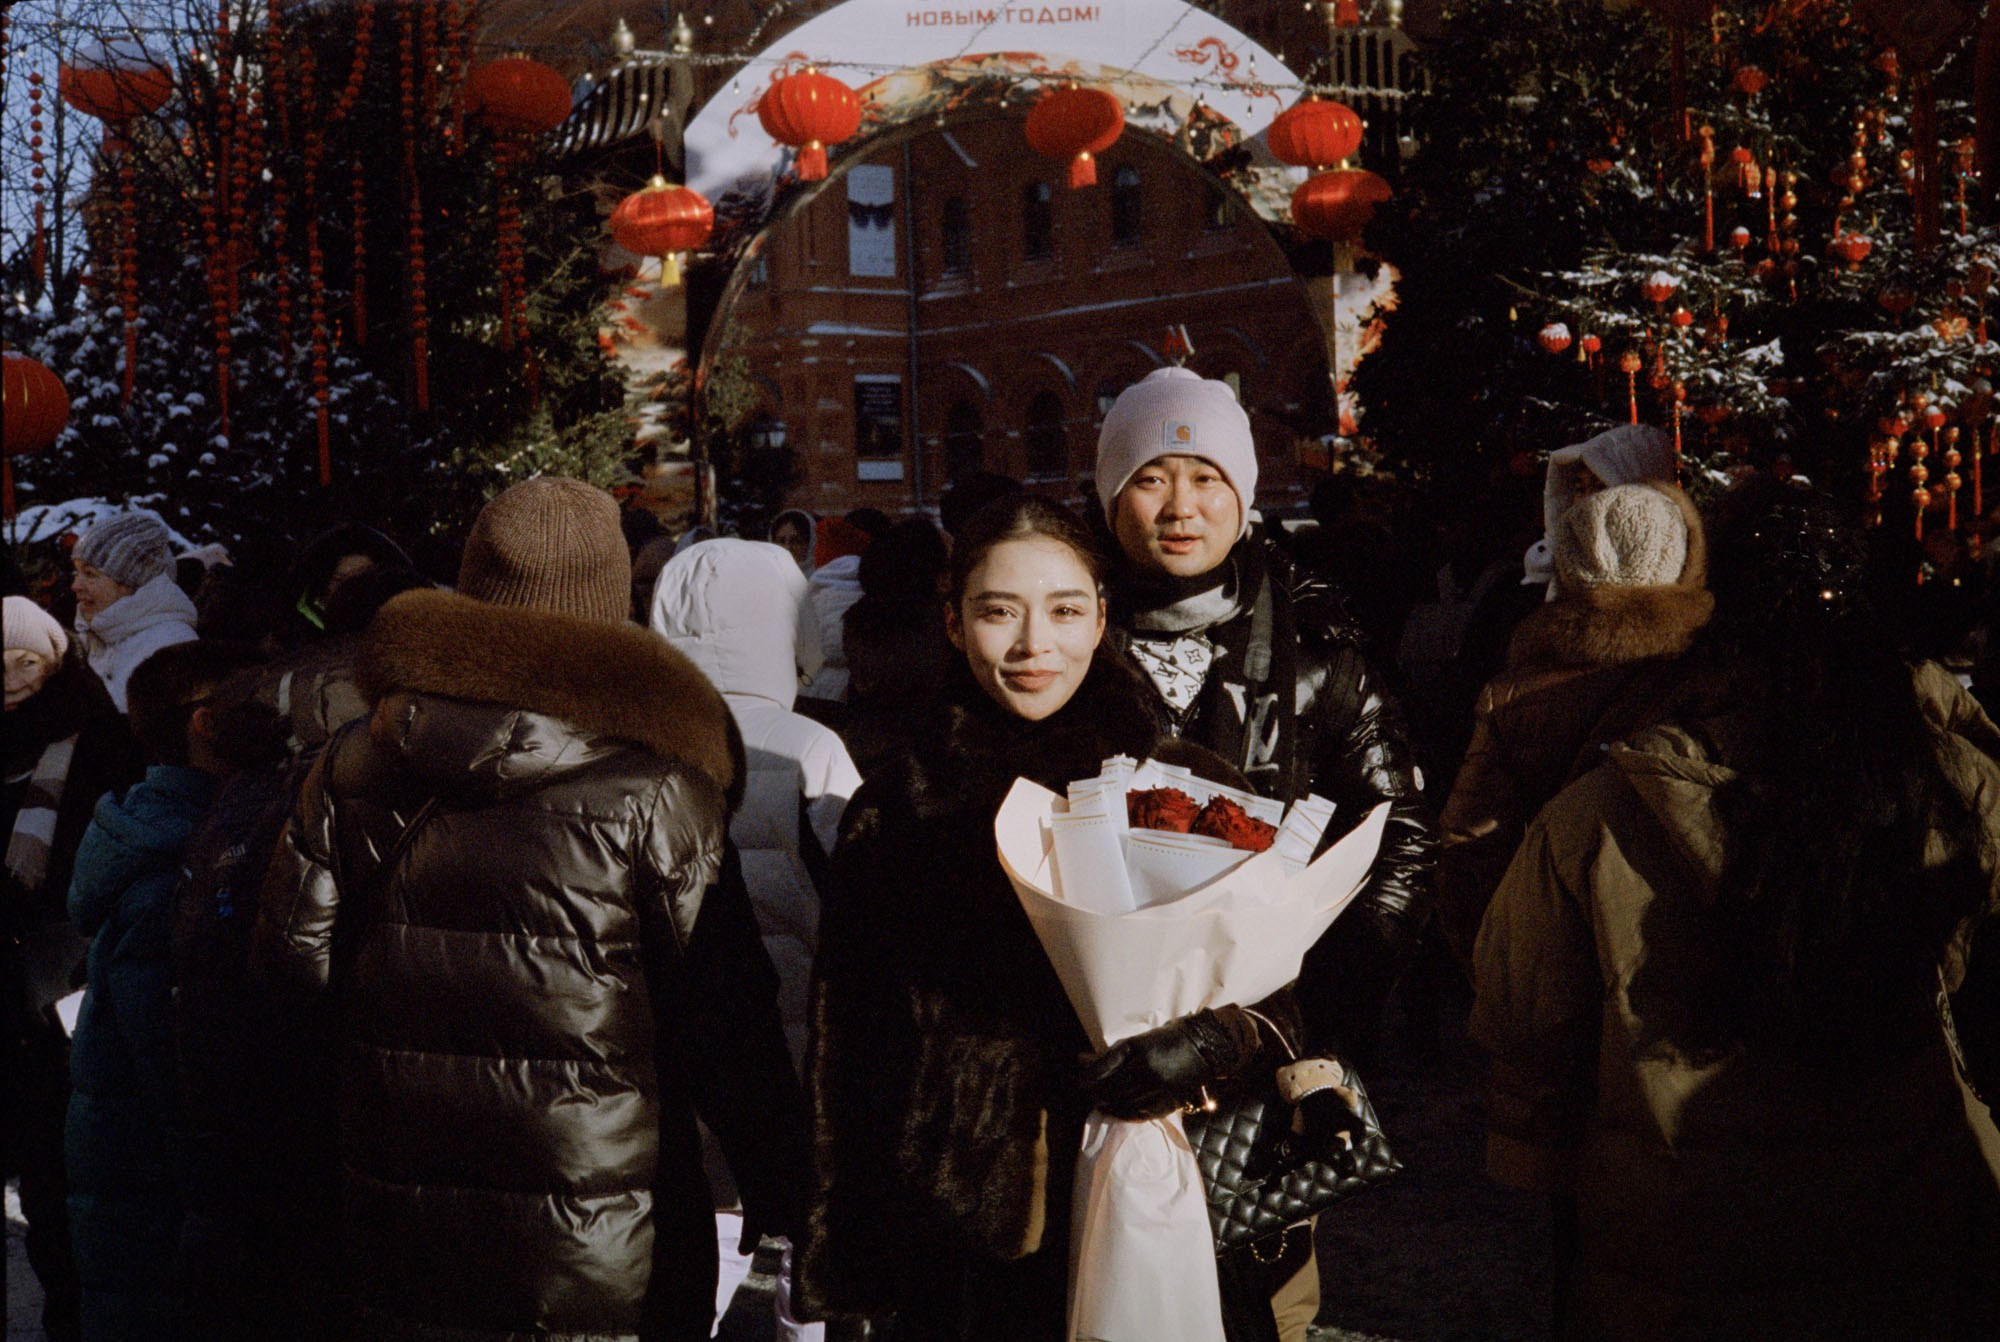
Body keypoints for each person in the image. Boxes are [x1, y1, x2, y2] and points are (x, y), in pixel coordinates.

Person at [252, 478, 808, 1340]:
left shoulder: (352, 763)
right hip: (605, 1244)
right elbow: (726, 1021)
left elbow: (289, 983)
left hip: (398, 1221)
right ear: (613, 599)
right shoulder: (657, 789)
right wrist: (788, 1194)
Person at [1472, 478, 2000, 1339]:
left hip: (1678, 1247)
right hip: (1912, 1227)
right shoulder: (1958, 786)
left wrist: (1551, 1164)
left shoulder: (1598, 813)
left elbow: (1527, 1013)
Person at [800, 495, 1307, 1341]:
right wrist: (849, 1242)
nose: (1036, 645)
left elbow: (1281, 995)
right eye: (998, 611)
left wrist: (1213, 1043)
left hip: (1170, 1203)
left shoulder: (1181, 787)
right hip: (970, 1241)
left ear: (1102, 618)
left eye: (1066, 611)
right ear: (954, 624)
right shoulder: (899, 806)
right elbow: (849, 1043)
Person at [1092, 366, 1435, 1339]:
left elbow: (1396, 836)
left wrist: (1309, 1015)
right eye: (1151, 477)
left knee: (1260, 1300)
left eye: (1205, 476)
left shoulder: (1318, 652)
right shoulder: (1064, 640)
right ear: (1110, 492)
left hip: (1260, 1053)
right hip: (1097, 1053)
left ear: (1242, 493)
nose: (1179, 505)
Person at [650, 538, 861, 1340]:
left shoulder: (651, 745)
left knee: (705, 1236)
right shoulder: (812, 749)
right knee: (801, 1257)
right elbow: (855, 884)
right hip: (798, 1043)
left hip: (688, 1041)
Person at [65, 639, 273, 1340]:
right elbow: (182, 1073)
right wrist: (218, 1213)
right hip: (161, 1231)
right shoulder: (176, 870)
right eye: (252, 702)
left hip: (144, 1214)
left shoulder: (165, 837)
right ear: (205, 723)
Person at [1436, 482, 1712, 973]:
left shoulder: (1514, 695)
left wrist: (1493, 964)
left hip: (1565, 948)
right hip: (1693, 949)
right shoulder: (1710, 678)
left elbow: (1472, 848)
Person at [3, 597, 139, 1342]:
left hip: (64, 985)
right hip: (10, 991)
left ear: (56, 660)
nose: (10, 678)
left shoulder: (99, 738)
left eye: (25, 660)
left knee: (63, 1193)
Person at [69, 512, 199, 713]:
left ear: (132, 582)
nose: (75, 585)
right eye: (76, 572)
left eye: (90, 574)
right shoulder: (94, 636)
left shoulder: (170, 647)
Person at [770, 509, 817, 576]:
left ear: (810, 544)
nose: (787, 547)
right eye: (781, 541)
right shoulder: (766, 578)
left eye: (795, 541)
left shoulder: (824, 580)